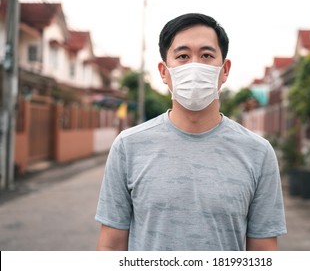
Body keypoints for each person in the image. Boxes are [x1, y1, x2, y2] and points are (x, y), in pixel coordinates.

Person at [95, 13, 287, 251]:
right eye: (183, 56)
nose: (194, 66)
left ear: (224, 70)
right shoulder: (128, 146)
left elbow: (264, 251)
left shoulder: (258, 153)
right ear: (164, 72)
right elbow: (111, 248)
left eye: (206, 55)